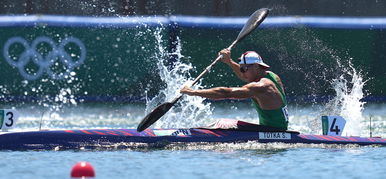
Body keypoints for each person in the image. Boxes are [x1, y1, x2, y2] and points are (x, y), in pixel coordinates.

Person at [180, 49, 289, 130]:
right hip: (277, 129)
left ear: (256, 66)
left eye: (244, 68)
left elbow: (225, 93)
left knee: (223, 124)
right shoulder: (272, 76)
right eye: (241, 68)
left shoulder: (261, 86)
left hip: (271, 132)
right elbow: (245, 76)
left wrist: (193, 92)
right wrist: (229, 61)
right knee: (225, 122)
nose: (242, 72)